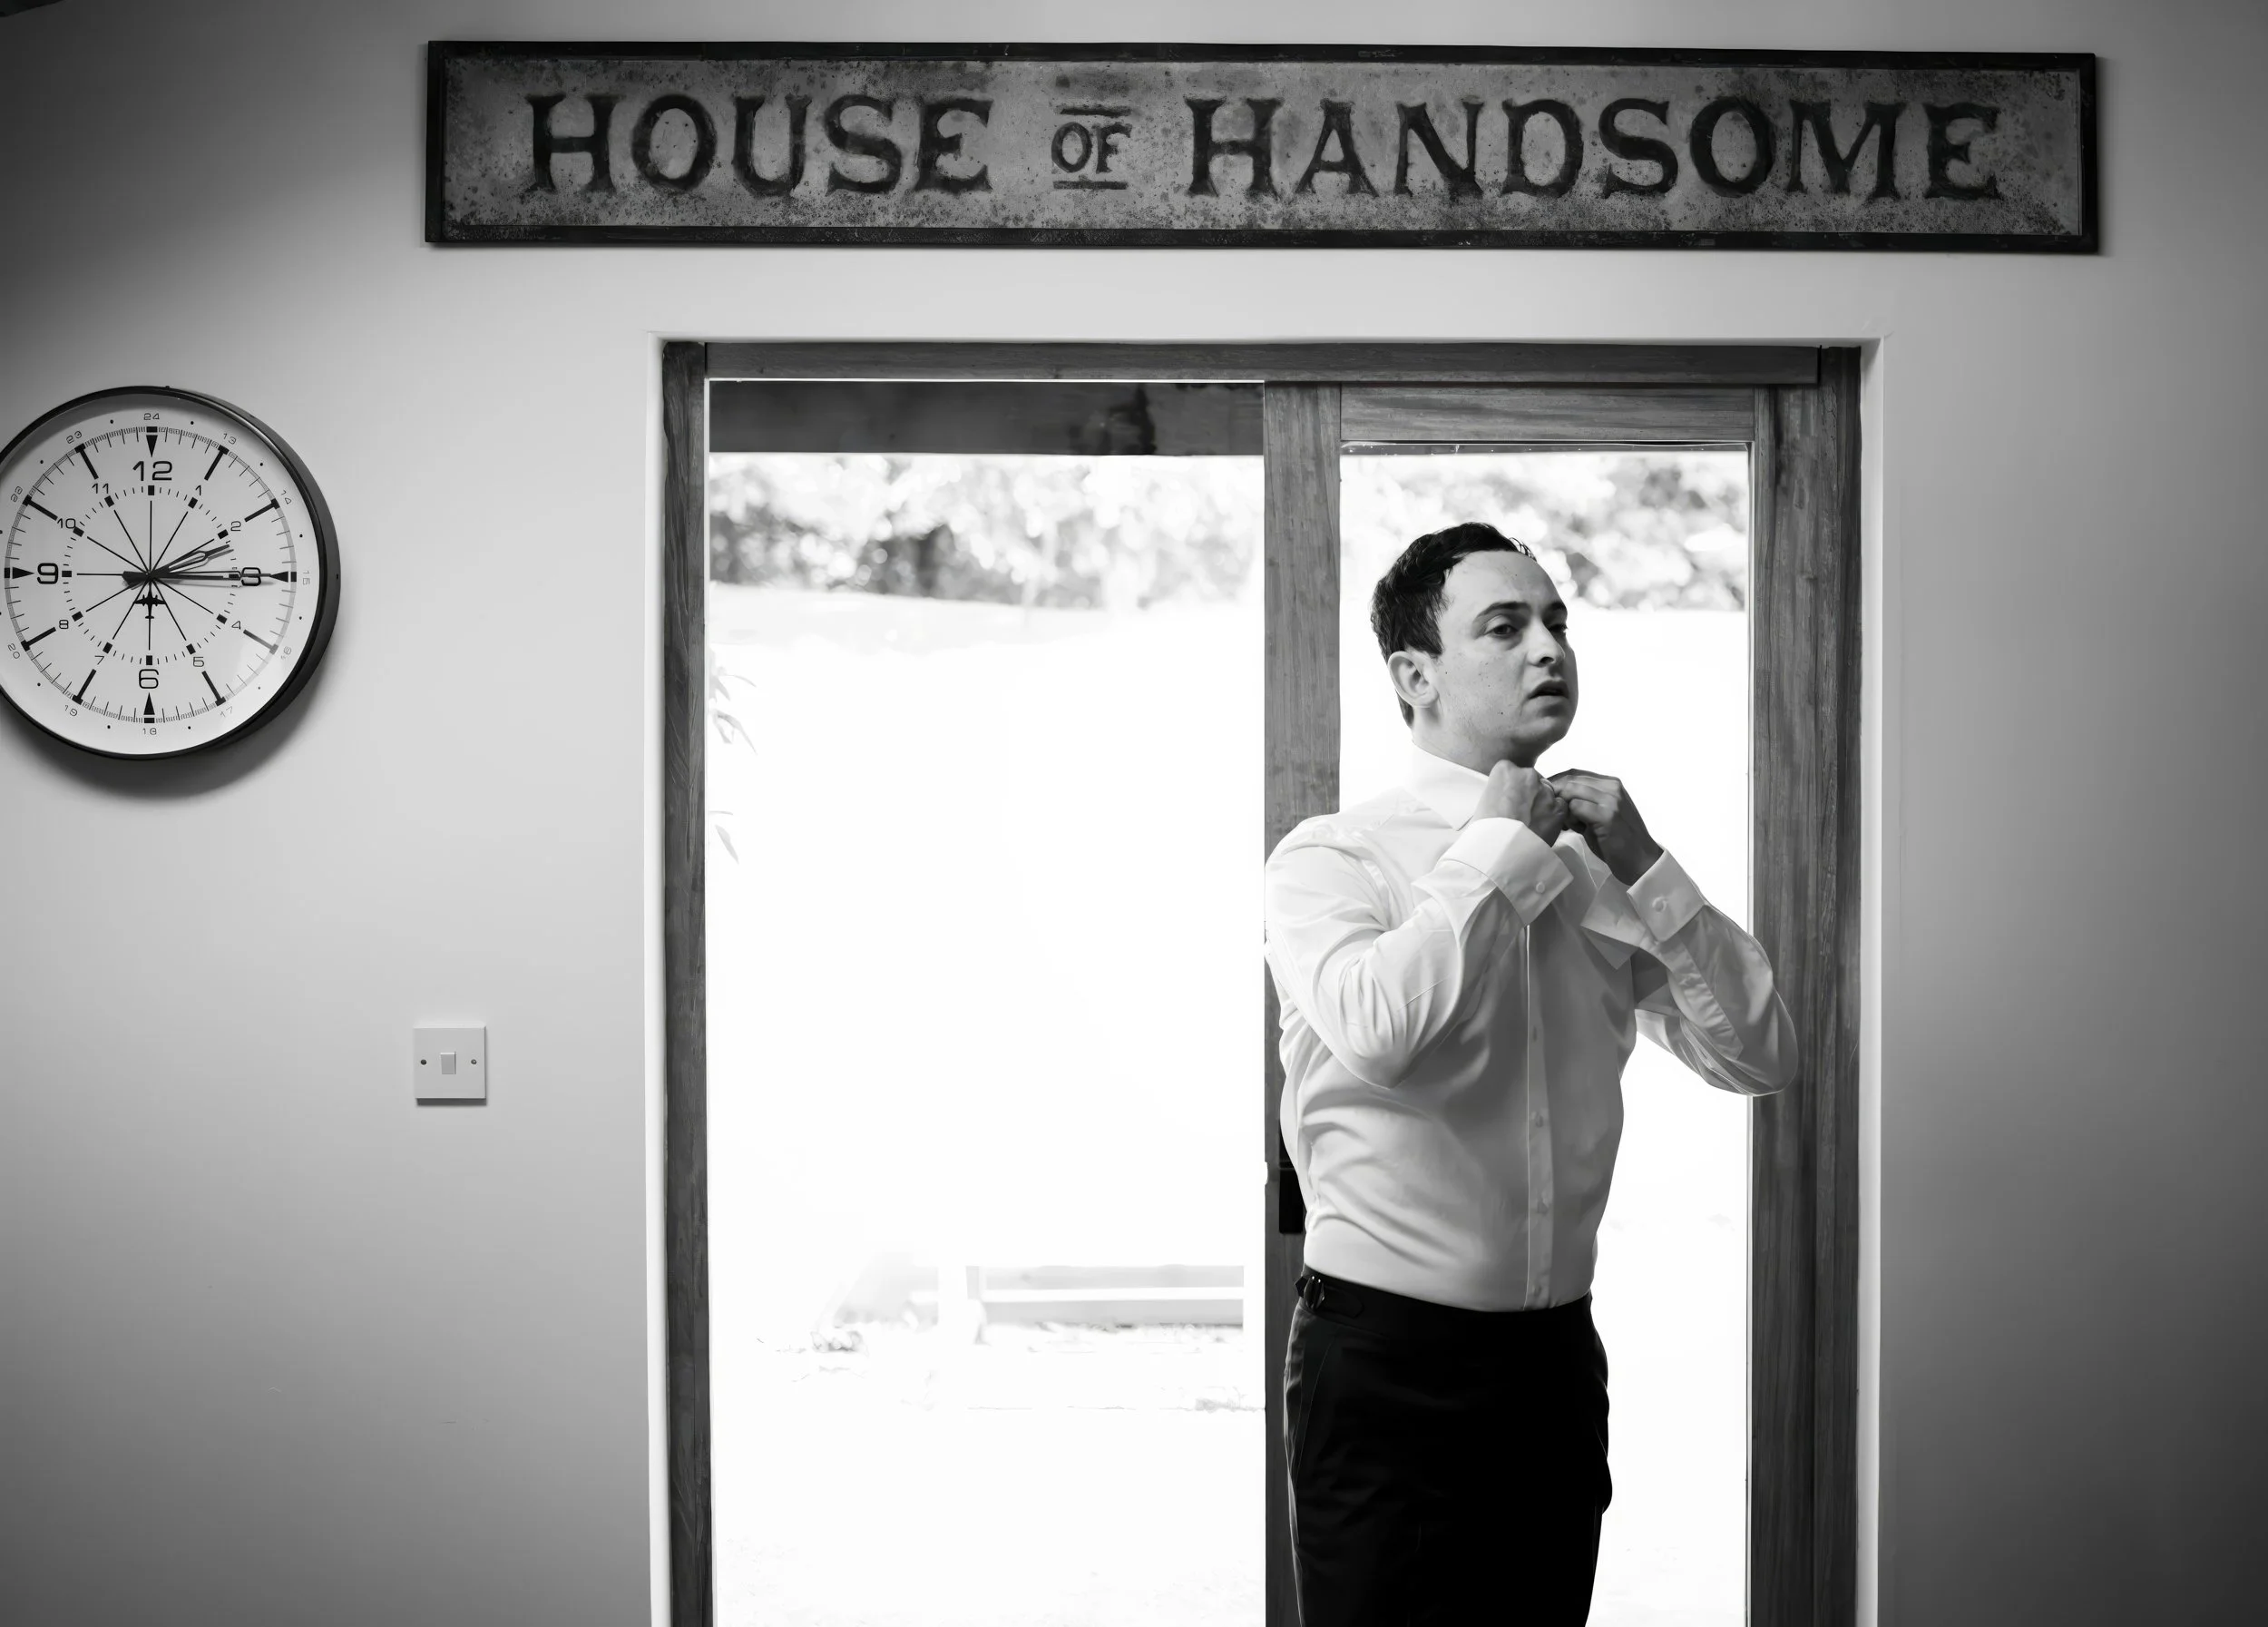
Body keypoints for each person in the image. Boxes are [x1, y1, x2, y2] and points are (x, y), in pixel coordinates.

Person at [1264, 522, 1798, 1625]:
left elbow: (1758, 1053)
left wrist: (1648, 867)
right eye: (1504, 626)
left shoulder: (1600, 868)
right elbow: (1378, 1028)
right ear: (1414, 675)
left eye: (1556, 622)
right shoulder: (1330, 858)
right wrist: (1497, 850)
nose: (1547, 648)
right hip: (1385, 1367)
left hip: (1552, 1366)